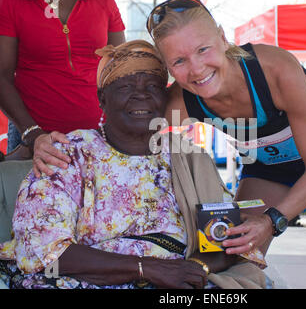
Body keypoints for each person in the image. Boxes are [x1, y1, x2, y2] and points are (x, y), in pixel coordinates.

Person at [29, 0, 306, 289]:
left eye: (203, 49)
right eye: (179, 61)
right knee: (238, 260)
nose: (196, 70)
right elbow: (122, 124)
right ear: (168, 67)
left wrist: (272, 222)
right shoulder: (180, 102)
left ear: (222, 37)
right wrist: (51, 144)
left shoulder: (275, 69)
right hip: (267, 169)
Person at [0, 40, 267, 289]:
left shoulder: (187, 156)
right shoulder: (69, 155)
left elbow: (224, 243)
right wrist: (147, 269)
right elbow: (45, 252)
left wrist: (189, 268)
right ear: (102, 98)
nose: (141, 96)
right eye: (126, 86)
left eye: (152, 87)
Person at [0, 0, 125, 156]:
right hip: (36, 142)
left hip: (100, 140)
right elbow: (2, 76)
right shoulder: (10, 1)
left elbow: (122, 68)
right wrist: (33, 135)